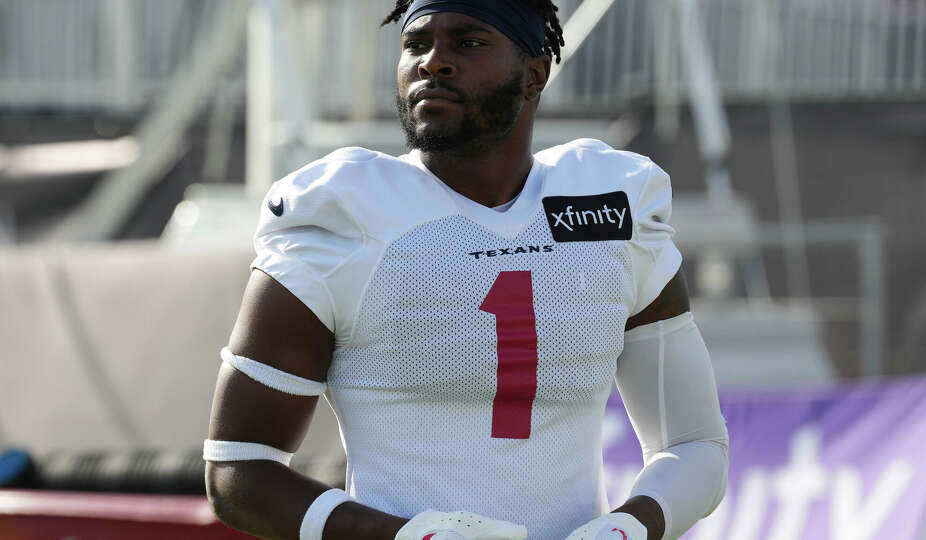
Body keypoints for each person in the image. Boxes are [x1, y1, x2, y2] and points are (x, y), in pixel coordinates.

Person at [203, 1, 729, 539]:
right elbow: (236, 468)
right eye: (416, 44)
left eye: (468, 42)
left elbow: (692, 442)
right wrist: (405, 537)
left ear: (535, 73)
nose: (434, 62)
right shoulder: (343, 215)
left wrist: (629, 529)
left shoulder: (607, 203)